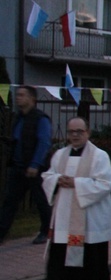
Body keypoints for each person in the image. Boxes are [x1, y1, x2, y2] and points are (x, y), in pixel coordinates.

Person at [29, 117, 111, 280]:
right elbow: (48, 176)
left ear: (88, 132)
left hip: (88, 217)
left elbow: (106, 184)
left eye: (79, 131)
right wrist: (58, 180)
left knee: (89, 257)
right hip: (64, 216)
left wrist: (76, 183)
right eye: (71, 132)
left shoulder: (99, 156)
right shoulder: (60, 155)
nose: (75, 135)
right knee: (58, 255)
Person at [0, 85, 52, 245]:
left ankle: (46, 231)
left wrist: (35, 164)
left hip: (35, 169)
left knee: (41, 200)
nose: (18, 97)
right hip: (18, 167)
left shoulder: (41, 118)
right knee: (10, 201)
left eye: (22, 95)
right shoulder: (19, 118)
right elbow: (18, 139)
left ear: (32, 99)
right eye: (18, 95)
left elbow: (43, 143)